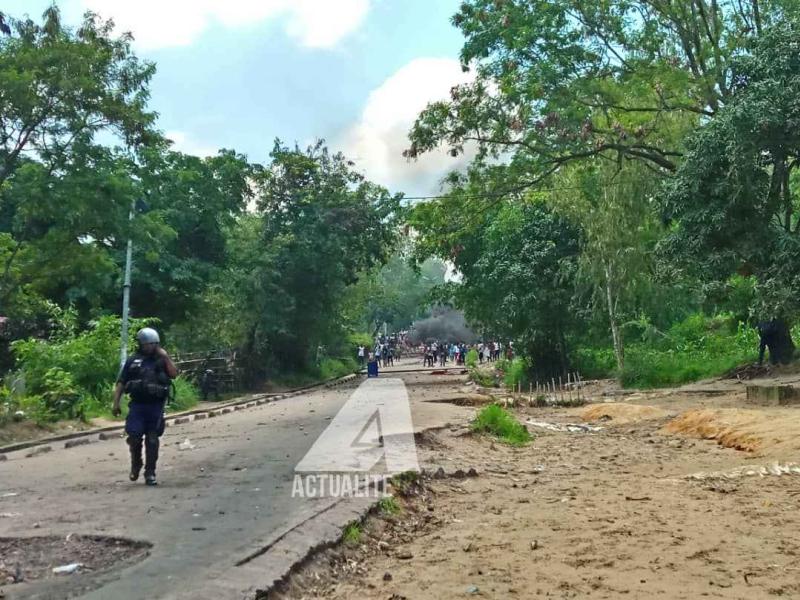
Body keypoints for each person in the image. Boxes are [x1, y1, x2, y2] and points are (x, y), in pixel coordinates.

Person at [113, 328, 178, 486]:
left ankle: (150, 473)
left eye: (154, 344)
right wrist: (115, 403)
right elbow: (121, 382)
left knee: (152, 439)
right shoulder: (133, 360)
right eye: (148, 344)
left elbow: (174, 374)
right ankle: (136, 463)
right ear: (141, 344)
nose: (152, 347)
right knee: (134, 437)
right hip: (138, 406)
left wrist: (165, 356)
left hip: (155, 406)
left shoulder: (161, 360)